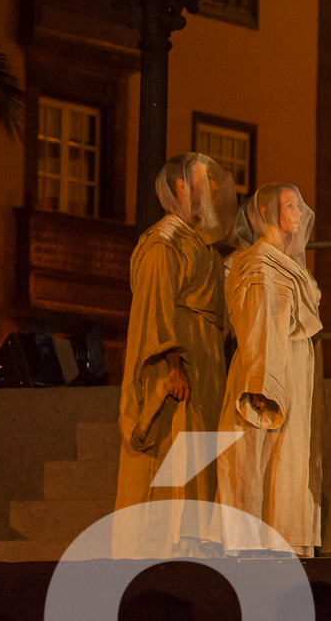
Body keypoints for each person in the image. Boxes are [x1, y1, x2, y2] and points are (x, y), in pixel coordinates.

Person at [113, 153, 237, 558]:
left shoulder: (199, 243)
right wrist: (173, 365)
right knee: (171, 453)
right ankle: (158, 547)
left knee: (198, 455)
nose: (212, 189)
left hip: (206, 365)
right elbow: (154, 307)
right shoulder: (163, 243)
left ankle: (192, 541)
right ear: (181, 187)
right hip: (181, 365)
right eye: (203, 180)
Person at [217, 182, 323, 555]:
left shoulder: (288, 265)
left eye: (299, 205)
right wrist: (262, 385)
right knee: (261, 462)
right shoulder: (260, 264)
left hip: (292, 372)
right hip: (269, 376)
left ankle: (285, 545)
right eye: (290, 205)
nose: (299, 212)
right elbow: (258, 325)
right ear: (268, 213)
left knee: (288, 464)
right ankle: (260, 551)